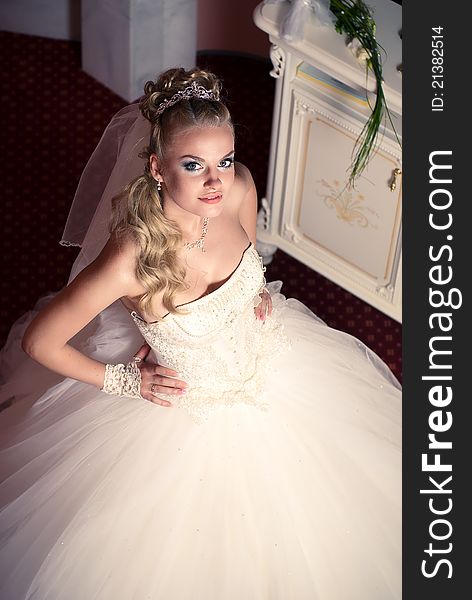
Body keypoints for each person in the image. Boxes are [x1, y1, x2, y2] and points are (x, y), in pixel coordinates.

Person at [0, 67, 401, 599]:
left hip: (274, 365)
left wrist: (253, 289)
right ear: (157, 168)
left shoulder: (237, 190)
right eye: (194, 165)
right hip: (184, 414)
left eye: (224, 160)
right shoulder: (131, 260)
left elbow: (249, 252)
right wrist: (127, 381)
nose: (216, 180)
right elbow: (41, 343)